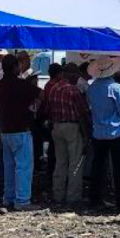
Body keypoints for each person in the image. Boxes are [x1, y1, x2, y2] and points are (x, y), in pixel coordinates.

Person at [0, 54, 41, 210]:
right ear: (16, 67)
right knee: (23, 167)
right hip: (21, 130)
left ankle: (8, 198)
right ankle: (22, 201)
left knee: (9, 167)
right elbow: (41, 94)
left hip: (5, 131)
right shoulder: (21, 84)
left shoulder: (0, 85)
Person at [87, 57, 120, 210]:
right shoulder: (116, 88)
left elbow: (90, 108)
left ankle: (95, 198)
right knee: (119, 168)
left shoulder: (91, 88)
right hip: (116, 132)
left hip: (98, 132)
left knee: (98, 167)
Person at [44, 63, 89, 205]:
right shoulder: (73, 91)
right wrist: (86, 133)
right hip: (72, 126)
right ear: (71, 75)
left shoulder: (53, 89)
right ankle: (73, 196)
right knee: (75, 163)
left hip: (57, 127)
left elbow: (48, 111)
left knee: (60, 162)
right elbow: (82, 113)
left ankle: (58, 194)